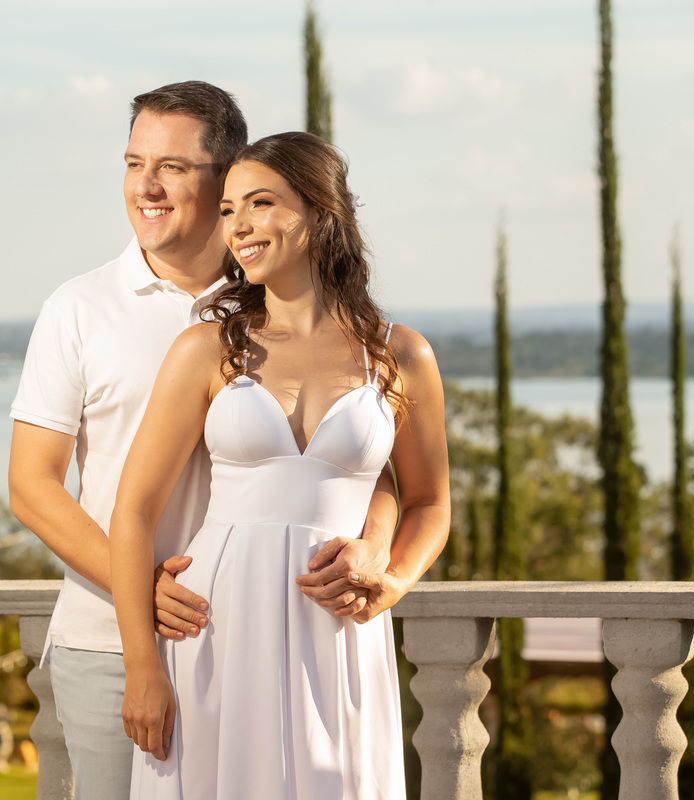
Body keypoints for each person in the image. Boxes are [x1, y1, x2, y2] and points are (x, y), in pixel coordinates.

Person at [9, 84, 402, 799]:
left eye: (172, 167)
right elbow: (31, 487)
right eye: (134, 164)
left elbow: (360, 472)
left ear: (228, 178)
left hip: (267, 638)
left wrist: (375, 547)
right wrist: (142, 590)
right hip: (112, 640)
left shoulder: (280, 294)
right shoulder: (78, 308)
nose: (146, 186)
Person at [110, 132, 451, 799]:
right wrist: (142, 667)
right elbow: (134, 510)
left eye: (260, 203)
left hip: (338, 628)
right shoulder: (207, 348)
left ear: (321, 211)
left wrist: (392, 577)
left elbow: (429, 501)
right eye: (228, 209)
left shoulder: (401, 355)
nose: (237, 224)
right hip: (217, 624)